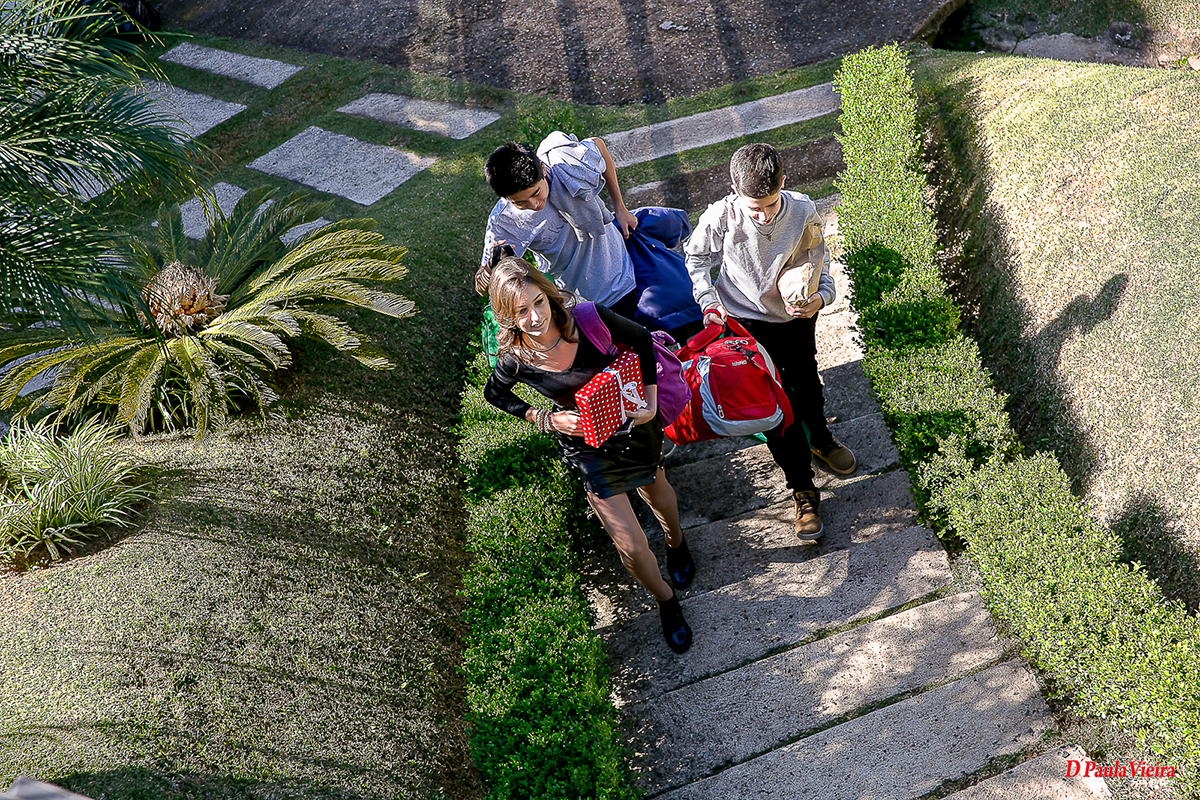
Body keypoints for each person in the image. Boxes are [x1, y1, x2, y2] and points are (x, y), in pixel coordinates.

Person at [483, 256, 695, 654]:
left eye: (538, 303)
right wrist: (545, 418)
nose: (534, 317)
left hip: (630, 421)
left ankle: (676, 541)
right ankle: (666, 599)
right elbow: (494, 395)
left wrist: (649, 402)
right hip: (586, 445)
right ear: (508, 317)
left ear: (548, 295)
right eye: (521, 311)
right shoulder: (515, 358)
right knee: (630, 547)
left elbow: (642, 341)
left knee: (655, 486)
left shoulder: (587, 317)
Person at [684, 143, 857, 541]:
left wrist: (821, 298)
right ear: (733, 189)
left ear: (784, 182)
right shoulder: (721, 216)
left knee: (808, 387)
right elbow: (695, 260)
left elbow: (818, 255)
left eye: (769, 204)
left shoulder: (801, 209)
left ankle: (822, 439)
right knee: (775, 408)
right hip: (743, 325)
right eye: (753, 207)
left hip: (796, 319)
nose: (762, 215)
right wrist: (709, 301)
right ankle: (803, 489)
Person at [479, 132, 639, 320]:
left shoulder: (566, 165)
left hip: (625, 271)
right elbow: (481, 286)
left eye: (536, 193)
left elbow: (599, 146)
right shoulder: (504, 222)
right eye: (520, 203)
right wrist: (491, 268)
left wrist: (620, 208)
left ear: (543, 169)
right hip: (583, 304)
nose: (534, 205)